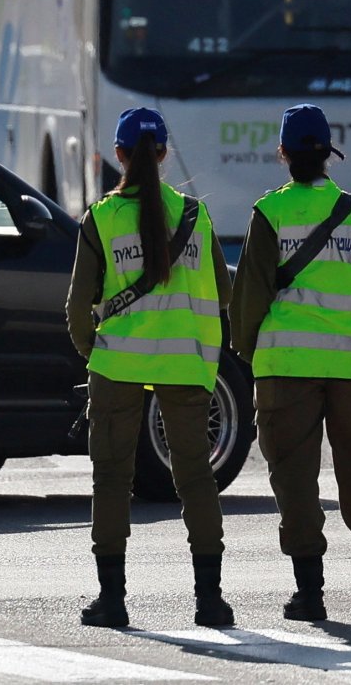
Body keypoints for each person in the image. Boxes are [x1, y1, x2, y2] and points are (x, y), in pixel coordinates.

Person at [230, 104, 351, 621]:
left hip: (286, 365)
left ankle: (310, 594)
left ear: (283, 153)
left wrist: (248, 352)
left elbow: (250, 295)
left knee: (295, 477)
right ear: (329, 154)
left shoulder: (270, 212)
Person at [65, 107, 235, 629]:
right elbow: (223, 293)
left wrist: (93, 352)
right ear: (163, 154)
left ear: (118, 154)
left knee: (112, 479)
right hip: (187, 364)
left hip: (116, 364)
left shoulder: (102, 217)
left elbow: (78, 306)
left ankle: (112, 601)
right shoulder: (194, 215)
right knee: (194, 479)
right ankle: (210, 601)